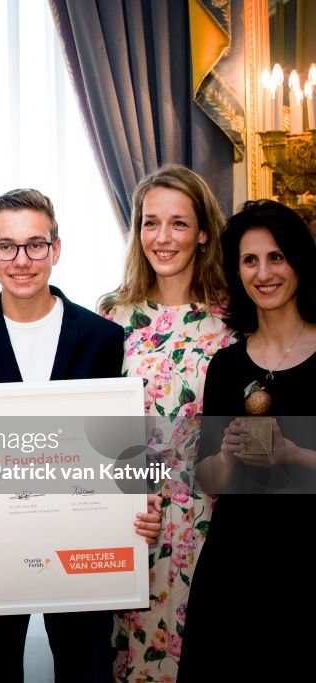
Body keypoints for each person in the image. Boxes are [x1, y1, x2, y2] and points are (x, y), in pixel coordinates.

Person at [0, 188, 161, 683]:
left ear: (56, 250)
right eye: (6, 246)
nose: (22, 260)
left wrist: (139, 500)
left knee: (86, 670)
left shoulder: (102, 337)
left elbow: (121, 436)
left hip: (83, 546)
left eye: (36, 245)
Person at [98, 165, 236, 682]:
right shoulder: (112, 317)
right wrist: (134, 494)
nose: (162, 237)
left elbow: (258, 431)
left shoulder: (233, 321)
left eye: (178, 224)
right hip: (135, 520)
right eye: (150, 223)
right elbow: (98, 426)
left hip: (214, 519)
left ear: (203, 233)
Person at [177, 200, 316, 681]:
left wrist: (294, 454)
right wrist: (228, 456)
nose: (264, 273)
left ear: (298, 260)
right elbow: (208, 477)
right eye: (249, 260)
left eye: (276, 257)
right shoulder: (228, 364)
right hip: (238, 567)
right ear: (237, 272)